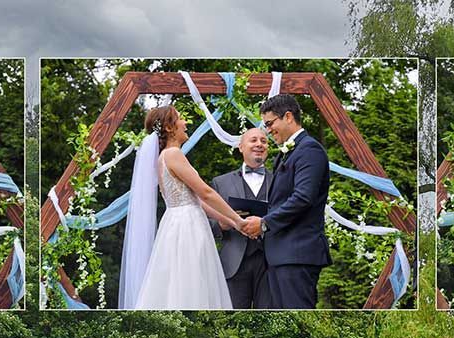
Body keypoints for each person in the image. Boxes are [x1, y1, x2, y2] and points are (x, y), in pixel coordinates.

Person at [129, 105, 245, 310]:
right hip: (187, 226)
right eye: (180, 119)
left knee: (182, 279)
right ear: (168, 127)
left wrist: (230, 221)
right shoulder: (173, 154)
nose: (185, 123)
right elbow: (205, 193)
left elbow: (196, 200)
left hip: (178, 221)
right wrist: (239, 220)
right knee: (191, 279)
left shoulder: (163, 157)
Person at [242, 94, 332, 309]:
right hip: (281, 255)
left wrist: (264, 223)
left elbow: (303, 198)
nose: (268, 130)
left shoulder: (309, 150)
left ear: (288, 117)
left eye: (270, 123)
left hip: (297, 254)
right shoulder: (286, 154)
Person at [208, 127, 273, 309]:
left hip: (271, 262)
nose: (259, 144)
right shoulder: (221, 183)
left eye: (264, 141)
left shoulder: (280, 180)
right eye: (253, 140)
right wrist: (222, 224)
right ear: (241, 147)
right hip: (234, 263)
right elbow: (206, 223)